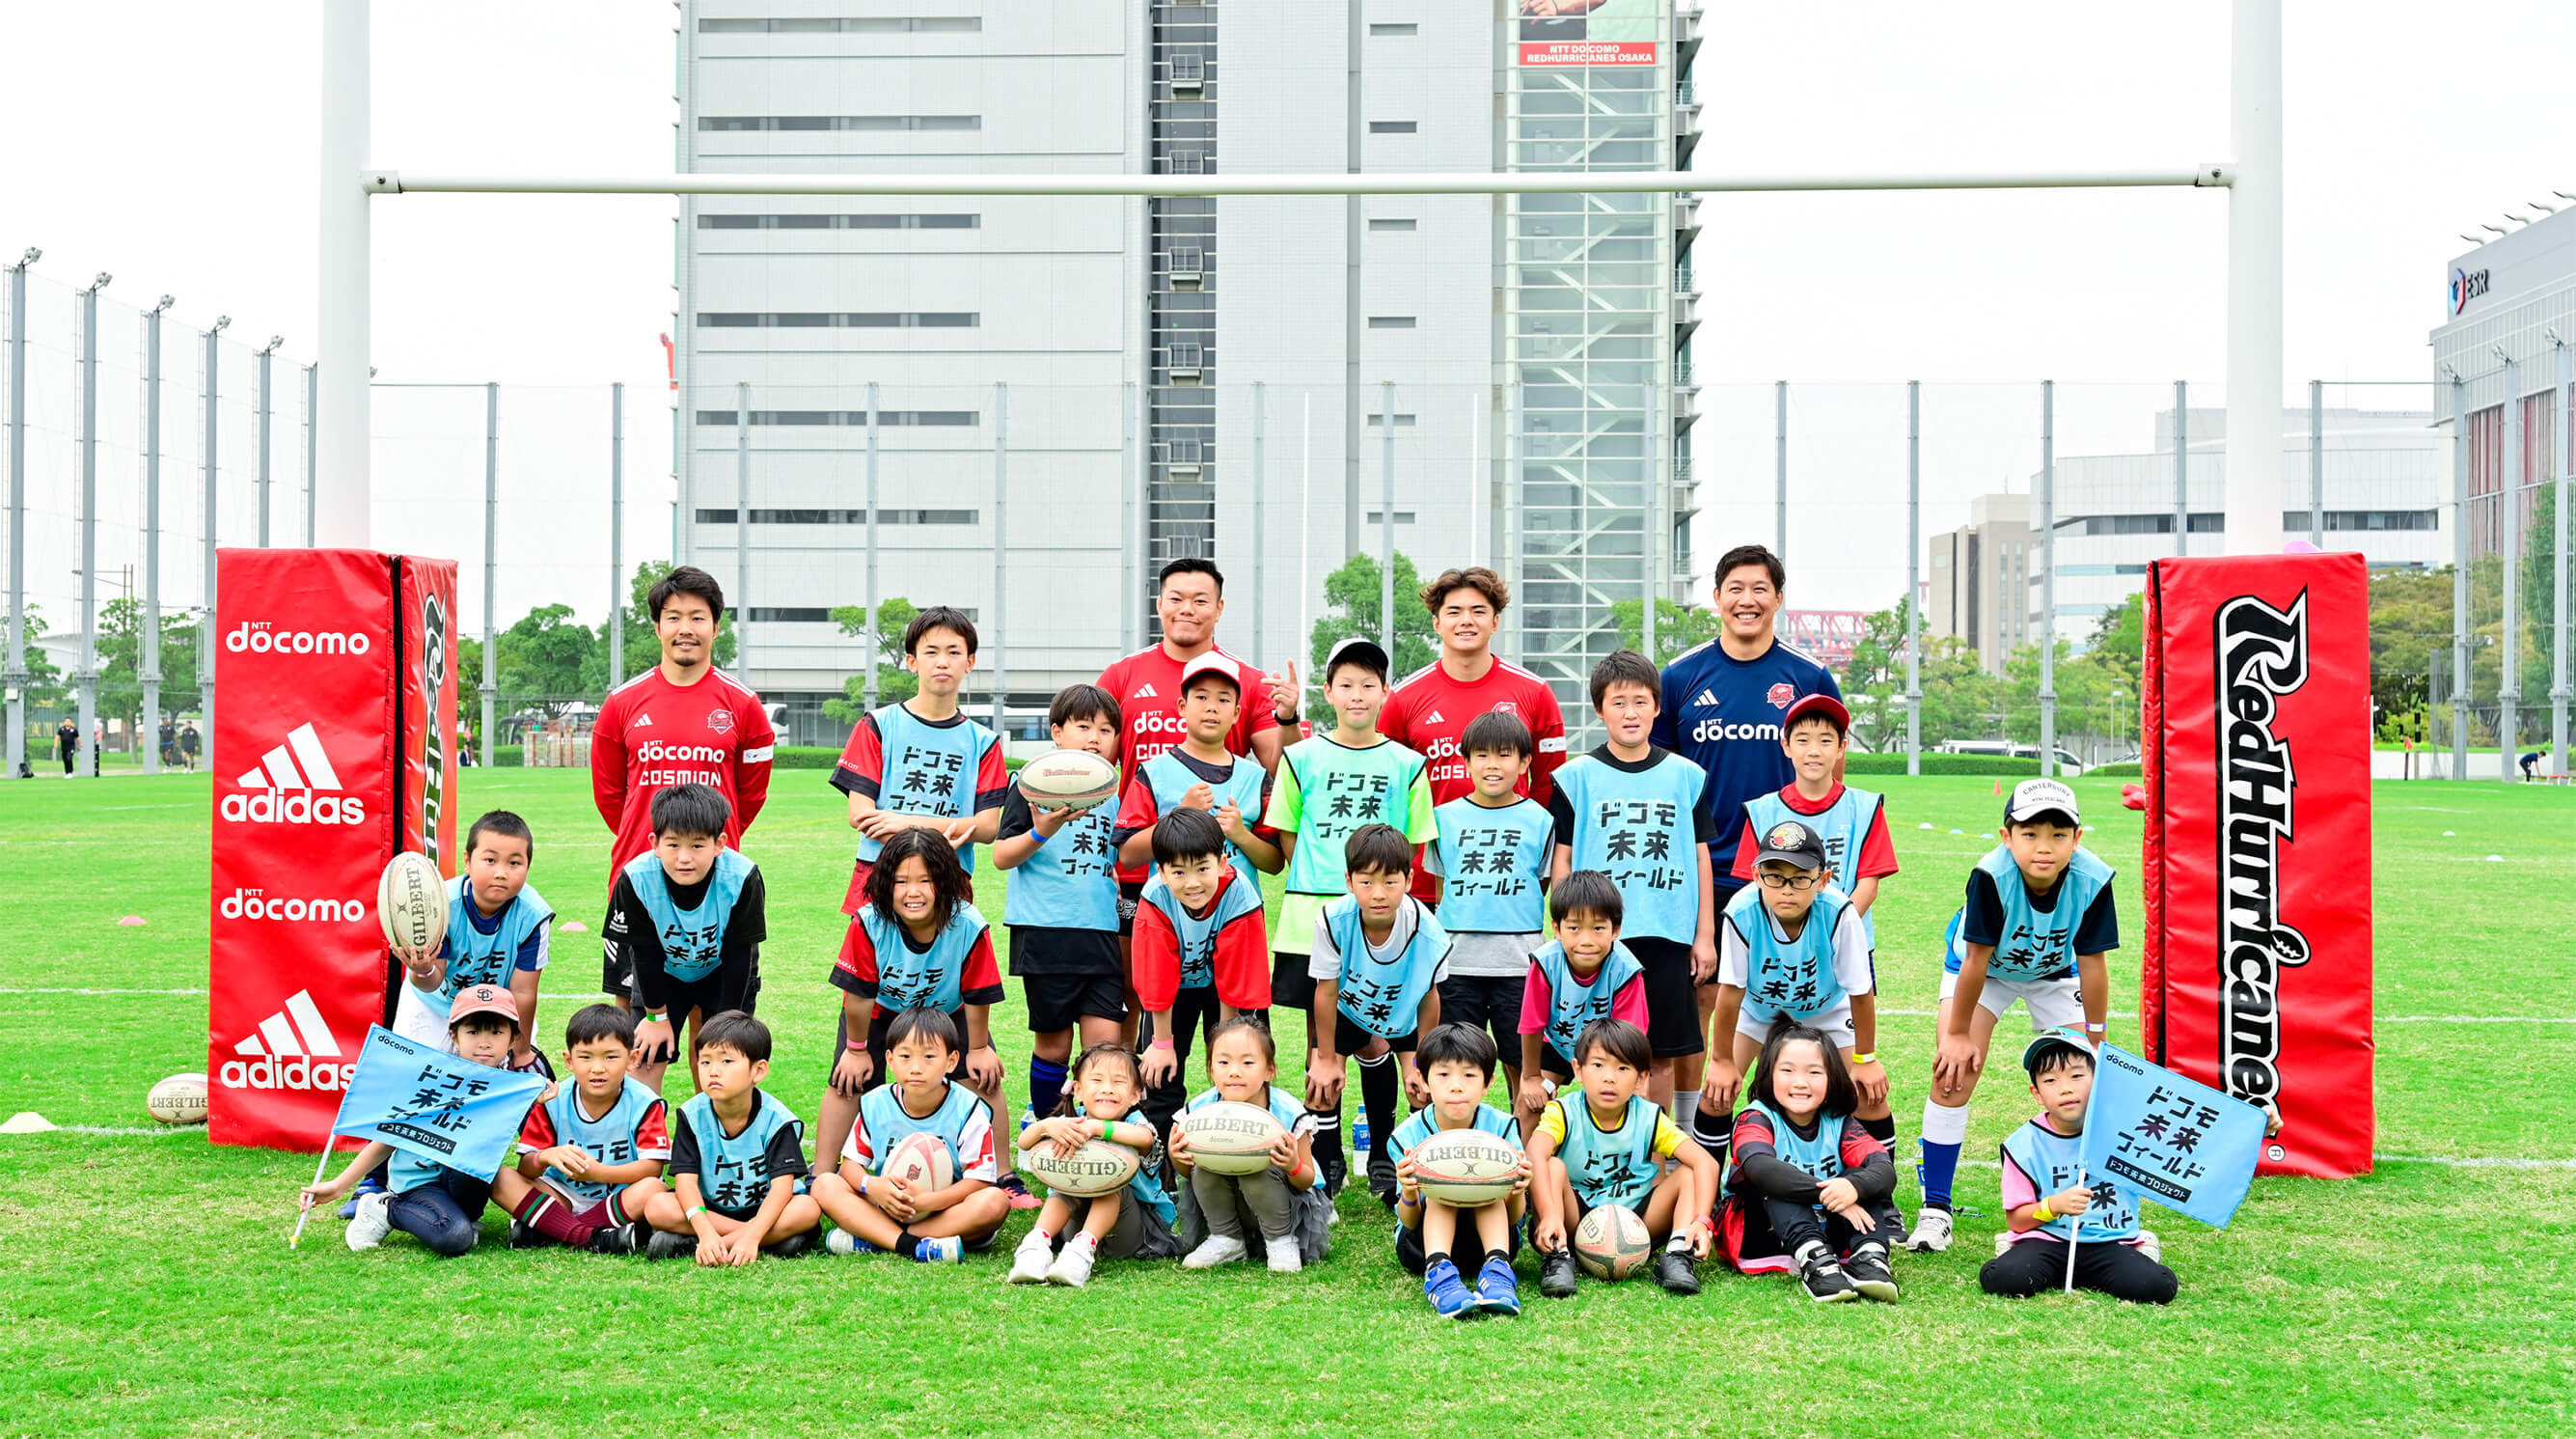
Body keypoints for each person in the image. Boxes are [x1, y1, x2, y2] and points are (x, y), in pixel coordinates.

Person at [1650, 544, 1843, 1150]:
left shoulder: (1807, 677)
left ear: (1779, 599)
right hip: (1705, 868)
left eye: (1760, 589)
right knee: (1702, 1001)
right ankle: (1689, 1135)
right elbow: (1659, 773)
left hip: (1788, 870)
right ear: (1717, 598)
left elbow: (1833, 770)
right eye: (1735, 588)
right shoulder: (1681, 676)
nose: (1747, 601)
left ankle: (1793, 1140)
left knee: (1797, 1004)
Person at [1912, 779, 2117, 1255]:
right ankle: (1936, 1209)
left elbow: (2093, 965)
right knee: (1952, 1073)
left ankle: (2084, 1201)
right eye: (2030, 834)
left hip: (2054, 972)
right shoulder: (1990, 875)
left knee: (2084, 1080)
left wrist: (2097, 1036)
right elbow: (1975, 962)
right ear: (2006, 837)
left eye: (2058, 834)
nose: (2044, 847)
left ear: (2077, 838)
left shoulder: (2093, 878)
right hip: (1986, 973)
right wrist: (1959, 1033)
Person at [1264, 636, 1438, 1193]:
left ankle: (1385, 1149)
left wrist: (1375, 898)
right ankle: (1330, 1153)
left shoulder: (1407, 764)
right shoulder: (1300, 756)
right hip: (1310, 914)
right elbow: (1288, 836)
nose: (1358, 695)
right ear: (1328, 692)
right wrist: (1333, 894)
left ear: (1386, 692)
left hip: (1382, 918)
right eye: (1346, 684)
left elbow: (1409, 847)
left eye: (1369, 684)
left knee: (1382, 1036)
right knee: (1323, 1045)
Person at [1097, 559, 1295, 1038]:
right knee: (1140, 994)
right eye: (1176, 599)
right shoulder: (1123, 675)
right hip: (1143, 875)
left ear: (1219, 608)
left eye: (1201, 600)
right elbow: (1093, 756)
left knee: (1233, 1011)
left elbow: (1280, 768)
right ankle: (1131, 1095)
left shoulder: (1247, 680)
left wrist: (1289, 717)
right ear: (1159, 603)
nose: (1187, 609)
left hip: (1228, 885)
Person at [591, 566, 776, 1000]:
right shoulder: (621, 703)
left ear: (715, 625)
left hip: (716, 884)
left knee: (712, 1028)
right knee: (630, 1021)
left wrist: (701, 844)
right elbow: (609, 795)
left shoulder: (744, 706)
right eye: (673, 617)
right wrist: (655, 843)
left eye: (697, 617)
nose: (685, 628)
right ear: (657, 626)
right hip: (638, 878)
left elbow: (750, 795)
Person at [1548, 649, 1715, 1121]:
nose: (1630, 713)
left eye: (1641, 702)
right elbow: (1562, 858)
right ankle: (1598, 1146)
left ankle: (1653, 1156)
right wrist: (1564, 928)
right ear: (1599, 710)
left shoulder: (1686, 776)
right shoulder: (1575, 777)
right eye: (1618, 703)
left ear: (1657, 707)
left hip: (1667, 934)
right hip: (1596, 938)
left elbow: (1700, 855)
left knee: (1658, 1055)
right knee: (1596, 1050)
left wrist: (1704, 935)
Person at [822, 828, 1011, 1196]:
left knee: (983, 1077)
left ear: (945, 881)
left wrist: (977, 1048)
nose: (913, 891)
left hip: (948, 1011)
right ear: (884, 884)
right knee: (847, 1080)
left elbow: (977, 992)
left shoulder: (967, 923)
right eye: (901, 881)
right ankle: (823, 1173)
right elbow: (858, 994)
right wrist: (856, 1049)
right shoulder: (869, 921)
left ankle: (1004, 1175)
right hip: (880, 1013)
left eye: (926, 880)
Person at [1703, 819, 1890, 1169]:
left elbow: (1861, 992)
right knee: (1717, 1094)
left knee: (1868, 1093)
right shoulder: (1741, 912)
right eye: (1774, 876)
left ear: (1823, 880)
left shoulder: (1840, 913)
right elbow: (1729, 993)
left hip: (1826, 1010)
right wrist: (1721, 1061)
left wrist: (1866, 1059)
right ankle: (1709, 1194)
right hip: (1760, 1011)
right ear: (1756, 876)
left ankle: (1878, 1196)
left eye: (1800, 878)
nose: (1786, 889)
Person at [303, 985, 541, 1257]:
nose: (484, 1042)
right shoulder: (435, 1079)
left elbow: (536, 1134)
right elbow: (389, 1138)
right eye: (473, 1032)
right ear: (454, 1035)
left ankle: (460, 1214)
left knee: (474, 1163)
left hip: (463, 1178)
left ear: (512, 1039)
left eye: (496, 1032)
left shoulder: (511, 1089)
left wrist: (544, 1100)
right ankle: (386, 1208)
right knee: (454, 1238)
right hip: (418, 1182)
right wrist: (338, 1185)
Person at [1382, 566, 1569, 906]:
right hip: (1422, 883)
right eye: (1454, 612)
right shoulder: (1403, 698)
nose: (1466, 620)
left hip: (1508, 876)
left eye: (1478, 611)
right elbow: (1390, 787)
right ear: (1437, 623)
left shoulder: (1535, 692)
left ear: (1495, 622)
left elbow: (1549, 786)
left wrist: (1535, 860)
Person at [992, 684, 1128, 1131]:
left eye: (1107, 730)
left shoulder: (1115, 793)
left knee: (1105, 1048)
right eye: (1084, 726)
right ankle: (1047, 1127)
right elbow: (1001, 856)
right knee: (1053, 1045)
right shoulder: (1030, 785)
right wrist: (1041, 830)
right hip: (1044, 932)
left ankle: (1099, 1132)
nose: (1095, 738)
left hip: (1102, 932)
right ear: (1057, 732)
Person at [1309, 823, 1451, 1207]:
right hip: (1347, 1009)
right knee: (1320, 1082)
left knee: (1423, 1090)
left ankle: (1391, 1162)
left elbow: (1429, 997)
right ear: (1349, 881)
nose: (1378, 894)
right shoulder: (1333, 919)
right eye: (1366, 882)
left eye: (1390, 881)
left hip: (1404, 1012)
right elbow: (1325, 990)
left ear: (1409, 879)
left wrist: (1422, 1063)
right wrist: (1325, 1058)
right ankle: (1326, 1168)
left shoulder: (1428, 932)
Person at [830, 605, 1009, 909]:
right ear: (912, 662)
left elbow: (988, 828)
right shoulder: (877, 725)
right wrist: (944, 829)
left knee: (945, 959)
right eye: (931, 652)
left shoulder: (984, 742)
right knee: (873, 957)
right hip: (881, 874)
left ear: (970, 662)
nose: (942, 662)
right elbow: (861, 815)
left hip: (948, 877)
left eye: (954, 652)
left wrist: (905, 823)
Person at [1979, 1030, 2177, 1304]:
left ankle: (2140, 1247)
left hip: (2111, 1241)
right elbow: (2017, 1219)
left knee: (2158, 1286)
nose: (2065, 1088)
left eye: (2076, 1076)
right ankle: (2015, 1249)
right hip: (2049, 1240)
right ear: (2036, 1093)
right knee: (2003, 1278)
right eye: (2050, 1080)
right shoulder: (2023, 1146)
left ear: (2097, 1081)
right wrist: (2054, 1205)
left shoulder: (2125, 1133)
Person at [1524, 1018, 1717, 1298]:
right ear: (1578, 1069)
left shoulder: (1649, 1116)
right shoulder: (1563, 1112)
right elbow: (1534, 1153)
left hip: (1638, 1219)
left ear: (1641, 1078)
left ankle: (1678, 1254)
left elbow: (1706, 1163)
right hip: (1577, 1217)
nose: (1609, 1077)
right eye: (1598, 1065)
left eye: (1623, 1068)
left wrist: (1702, 1222)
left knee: (1687, 1173)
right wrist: (1551, 1214)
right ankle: (1558, 1256)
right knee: (1552, 1166)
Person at [1715, 1020, 1903, 1303]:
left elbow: (1884, 1170)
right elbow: (1760, 1168)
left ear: (1832, 1078)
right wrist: (1832, 1193)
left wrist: (1853, 1187)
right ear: (1768, 1074)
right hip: (1760, 1233)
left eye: (1814, 1072)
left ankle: (1870, 1258)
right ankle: (1817, 1263)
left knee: (1860, 1176)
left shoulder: (1838, 1121)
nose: (1800, 1082)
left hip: (1827, 1222)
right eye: (1787, 1071)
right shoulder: (1754, 1118)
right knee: (1776, 1180)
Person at [1422, 711, 1555, 1107]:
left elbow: (1542, 884)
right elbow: (1442, 888)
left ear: (1525, 763)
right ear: (1465, 761)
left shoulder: (1541, 821)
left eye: (1504, 755)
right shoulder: (1443, 819)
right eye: (1481, 755)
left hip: (1519, 965)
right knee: (1454, 1063)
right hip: (1458, 963)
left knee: (1523, 1068)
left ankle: (1525, 1151)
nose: (1492, 765)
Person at [599, 783, 768, 1095]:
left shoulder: (742, 877)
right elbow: (645, 954)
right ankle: (647, 1140)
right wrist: (656, 1016)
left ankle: (715, 1137)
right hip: (662, 976)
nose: (684, 858)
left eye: (697, 846)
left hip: (721, 974)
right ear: (655, 843)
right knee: (645, 1060)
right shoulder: (636, 879)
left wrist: (727, 1026)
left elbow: (739, 956)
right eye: (673, 845)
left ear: (719, 844)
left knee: (726, 1063)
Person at [813, 1007, 1012, 1263]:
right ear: (890, 1059)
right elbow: (850, 1166)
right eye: (905, 1056)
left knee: (995, 1202)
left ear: (951, 1062)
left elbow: (980, 1181)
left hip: (945, 1210)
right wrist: (873, 1186)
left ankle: (878, 1237)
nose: (916, 1068)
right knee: (824, 1185)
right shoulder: (876, 1103)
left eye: (929, 1056)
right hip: (888, 1203)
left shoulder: (969, 1109)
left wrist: (928, 1201)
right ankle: (915, 1245)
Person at [1132, 808, 1273, 1160]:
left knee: (1241, 1068)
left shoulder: (1240, 895)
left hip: (1228, 990)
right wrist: (1162, 1043)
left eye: (1202, 869)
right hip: (1173, 990)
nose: (1192, 883)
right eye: (1178, 872)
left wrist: (1228, 1048)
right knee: (1158, 1075)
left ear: (1223, 862)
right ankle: (1161, 1164)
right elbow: (1157, 974)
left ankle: (1242, 1152)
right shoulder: (1154, 897)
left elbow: (1236, 979)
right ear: (1161, 872)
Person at [640, 1010, 822, 1263]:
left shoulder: (777, 1119)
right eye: (705, 1062)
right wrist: (704, 1231)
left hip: (766, 1208)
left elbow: (782, 1189)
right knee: (657, 1206)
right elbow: (686, 1183)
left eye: (726, 1062)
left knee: (807, 1209)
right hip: (711, 1208)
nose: (713, 1071)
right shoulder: (691, 1114)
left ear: (758, 1071)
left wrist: (752, 1235)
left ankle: (707, 1245)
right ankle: (771, 1241)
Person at [388, 811, 553, 1073]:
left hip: (496, 1009)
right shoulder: (440, 903)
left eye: (514, 863)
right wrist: (422, 970)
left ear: (528, 867)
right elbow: (432, 981)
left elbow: (522, 991)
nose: (501, 872)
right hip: (437, 1004)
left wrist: (521, 1052)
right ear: (467, 861)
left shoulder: (534, 916)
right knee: (414, 1075)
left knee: (502, 1083)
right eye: (490, 860)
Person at [1727, 693, 1897, 946]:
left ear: (1841, 748)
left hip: (1846, 943)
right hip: (1779, 947)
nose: (1814, 751)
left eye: (1826, 741)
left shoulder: (1865, 808)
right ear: (1786, 746)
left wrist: (1833, 933)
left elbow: (1868, 886)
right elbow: (1754, 884)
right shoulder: (1762, 811)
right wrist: (1790, 937)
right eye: (1803, 740)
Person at [504, 1003, 671, 1252]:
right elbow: (526, 1169)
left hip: (620, 1196)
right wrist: (545, 1157)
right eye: (585, 1056)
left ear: (632, 1059)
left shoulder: (645, 1103)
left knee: (654, 1188)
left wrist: (597, 1173)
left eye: (611, 1056)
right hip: (562, 1196)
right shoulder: (553, 1100)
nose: (598, 1068)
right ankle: (594, 1237)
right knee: (502, 1177)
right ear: (569, 1060)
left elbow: (652, 1167)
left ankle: (548, 1229)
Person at [1006, 1042, 1178, 1286]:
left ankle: (1081, 1254)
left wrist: (1099, 1127)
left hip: (1131, 1231)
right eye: (1097, 1080)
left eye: (1118, 1082)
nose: (1107, 1089)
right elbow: (1024, 1143)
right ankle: (1036, 1245)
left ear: (1135, 1094)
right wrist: (1045, 1126)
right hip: (1073, 1229)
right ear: (1077, 1089)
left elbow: (1145, 1138)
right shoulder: (1071, 1122)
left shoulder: (1135, 1122)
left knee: (1110, 1177)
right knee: (1064, 1183)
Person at [1389, 1023, 1531, 1317]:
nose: (1456, 1085)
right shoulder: (1407, 1135)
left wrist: (1518, 1190)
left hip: (1491, 1242)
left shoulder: (1503, 1127)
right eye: (1443, 1075)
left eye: (1469, 1075)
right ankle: (1439, 1275)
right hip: (1421, 1246)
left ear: (1488, 1082)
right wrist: (1410, 1190)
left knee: (1486, 1184)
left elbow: (1515, 1216)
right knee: (1445, 1184)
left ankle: (1497, 1272)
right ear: (1424, 1080)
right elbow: (1409, 1221)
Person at [1111, 651, 1283, 888]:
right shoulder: (1154, 773)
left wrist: (1241, 835)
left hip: (1238, 915)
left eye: (1223, 700)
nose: (1212, 707)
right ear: (1182, 706)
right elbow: (1128, 856)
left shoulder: (1255, 778)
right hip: (1170, 915)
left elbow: (1275, 864)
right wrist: (1180, 815)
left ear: (1236, 714)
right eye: (1201, 697)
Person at [1169, 1017, 1323, 1274]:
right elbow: (1190, 1173)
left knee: (1258, 1163)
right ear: (1211, 1070)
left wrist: (1293, 1165)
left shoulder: (1288, 1112)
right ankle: (1226, 1238)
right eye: (1223, 1062)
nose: (1234, 1071)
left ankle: (1280, 1242)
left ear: (1269, 1070)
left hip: (1287, 1206)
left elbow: (1307, 1180)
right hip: (1230, 1206)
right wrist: (1178, 1158)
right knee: (1206, 1161)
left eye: (1248, 1062)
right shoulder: (1198, 1112)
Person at [1515, 871, 1648, 1140]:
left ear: (1616, 930)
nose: (1586, 940)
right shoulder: (1545, 964)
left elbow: (1630, 1038)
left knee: (1638, 1109)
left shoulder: (1627, 971)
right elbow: (1532, 1025)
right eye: (1574, 928)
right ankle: (1524, 1175)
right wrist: (1530, 1078)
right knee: (1527, 1106)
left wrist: (1610, 1081)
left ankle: (1638, 1177)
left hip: (1613, 1051)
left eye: (1598, 928)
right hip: (1558, 1044)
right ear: (1556, 929)